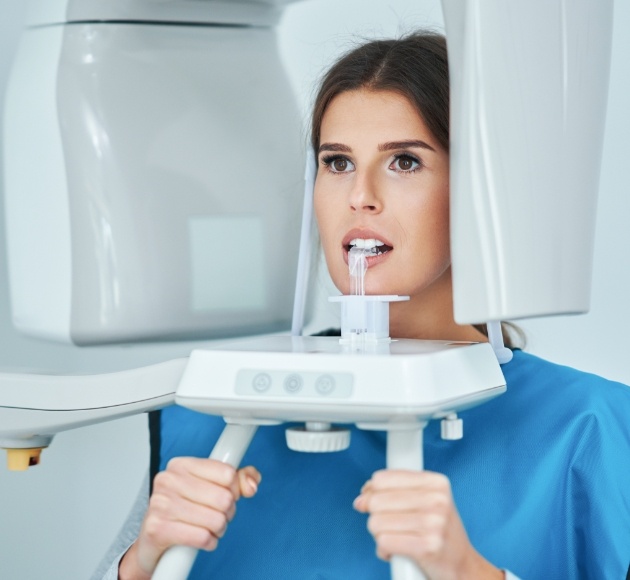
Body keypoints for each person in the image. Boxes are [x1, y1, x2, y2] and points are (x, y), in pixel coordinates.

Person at [94, 32, 630, 580]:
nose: (360, 195)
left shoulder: (591, 428)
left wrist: (471, 574)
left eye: (403, 161)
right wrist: (137, 566)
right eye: (337, 162)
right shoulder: (202, 419)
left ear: (479, 193)